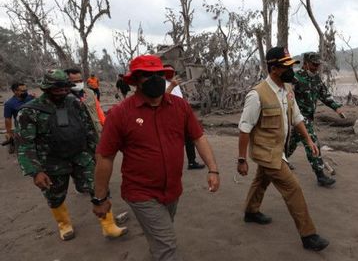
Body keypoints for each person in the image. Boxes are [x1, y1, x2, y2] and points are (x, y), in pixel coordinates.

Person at [92, 55, 220, 261]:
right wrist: (100, 198)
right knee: (167, 247)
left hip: (172, 190)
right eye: (147, 75)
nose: (156, 79)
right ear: (135, 81)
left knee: (160, 241)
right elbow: (105, 157)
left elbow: (198, 137)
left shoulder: (180, 107)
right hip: (141, 192)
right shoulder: (120, 114)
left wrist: (213, 169)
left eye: (159, 74)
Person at [15, 69, 127, 241]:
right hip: (51, 162)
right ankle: (64, 224)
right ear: (46, 88)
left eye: (65, 88)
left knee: (97, 188)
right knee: (55, 195)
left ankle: (109, 225)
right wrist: (35, 171)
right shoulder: (30, 112)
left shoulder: (74, 103)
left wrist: (98, 153)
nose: (62, 91)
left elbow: (89, 129)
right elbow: (25, 144)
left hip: (81, 156)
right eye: (57, 88)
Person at [237, 46, 330, 251]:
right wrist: (241, 160)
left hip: (278, 150)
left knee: (262, 180)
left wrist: (309, 140)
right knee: (293, 188)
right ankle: (309, 235)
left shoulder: (287, 90)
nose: (291, 70)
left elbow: (297, 117)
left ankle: (251, 212)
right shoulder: (257, 95)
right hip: (267, 152)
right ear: (274, 69)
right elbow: (244, 129)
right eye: (286, 66)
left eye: (291, 65)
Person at [285, 52, 343, 187]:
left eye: (318, 64)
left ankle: (280, 161)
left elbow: (324, 95)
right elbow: (286, 96)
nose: (316, 67)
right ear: (305, 64)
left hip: (308, 118)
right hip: (298, 117)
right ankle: (320, 175)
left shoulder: (316, 79)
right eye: (313, 64)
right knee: (312, 143)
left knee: (292, 142)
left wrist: (336, 108)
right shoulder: (296, 79)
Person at [163, 64, 205, 170]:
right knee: (174, 141)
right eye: (169, 72)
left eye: (172, 72)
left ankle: (191, 162)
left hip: (181, 115)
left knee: (189, 138)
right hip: (170, 116)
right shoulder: (163, 84)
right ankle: (167, 163)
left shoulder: (175, 83)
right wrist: (172, 85)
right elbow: (163, 99)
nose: (172, 74)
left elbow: (179, 98)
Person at [65, 68, 106, 136]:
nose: (79, 83)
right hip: (77, 135)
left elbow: (98, 111)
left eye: (80, 81)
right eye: (75, 82)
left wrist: (105, 125)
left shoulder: (90, 93)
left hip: (95, 131)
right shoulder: (63, 97)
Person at [3, 82, 34, 154]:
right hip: (21, 126)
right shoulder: (9, 104)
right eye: (23, 91)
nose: (25, 92)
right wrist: (9, 132)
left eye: (26, 90)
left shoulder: (30, 98)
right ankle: (11, 142)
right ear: (15, 91)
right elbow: (8, 119)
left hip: (33, 122)